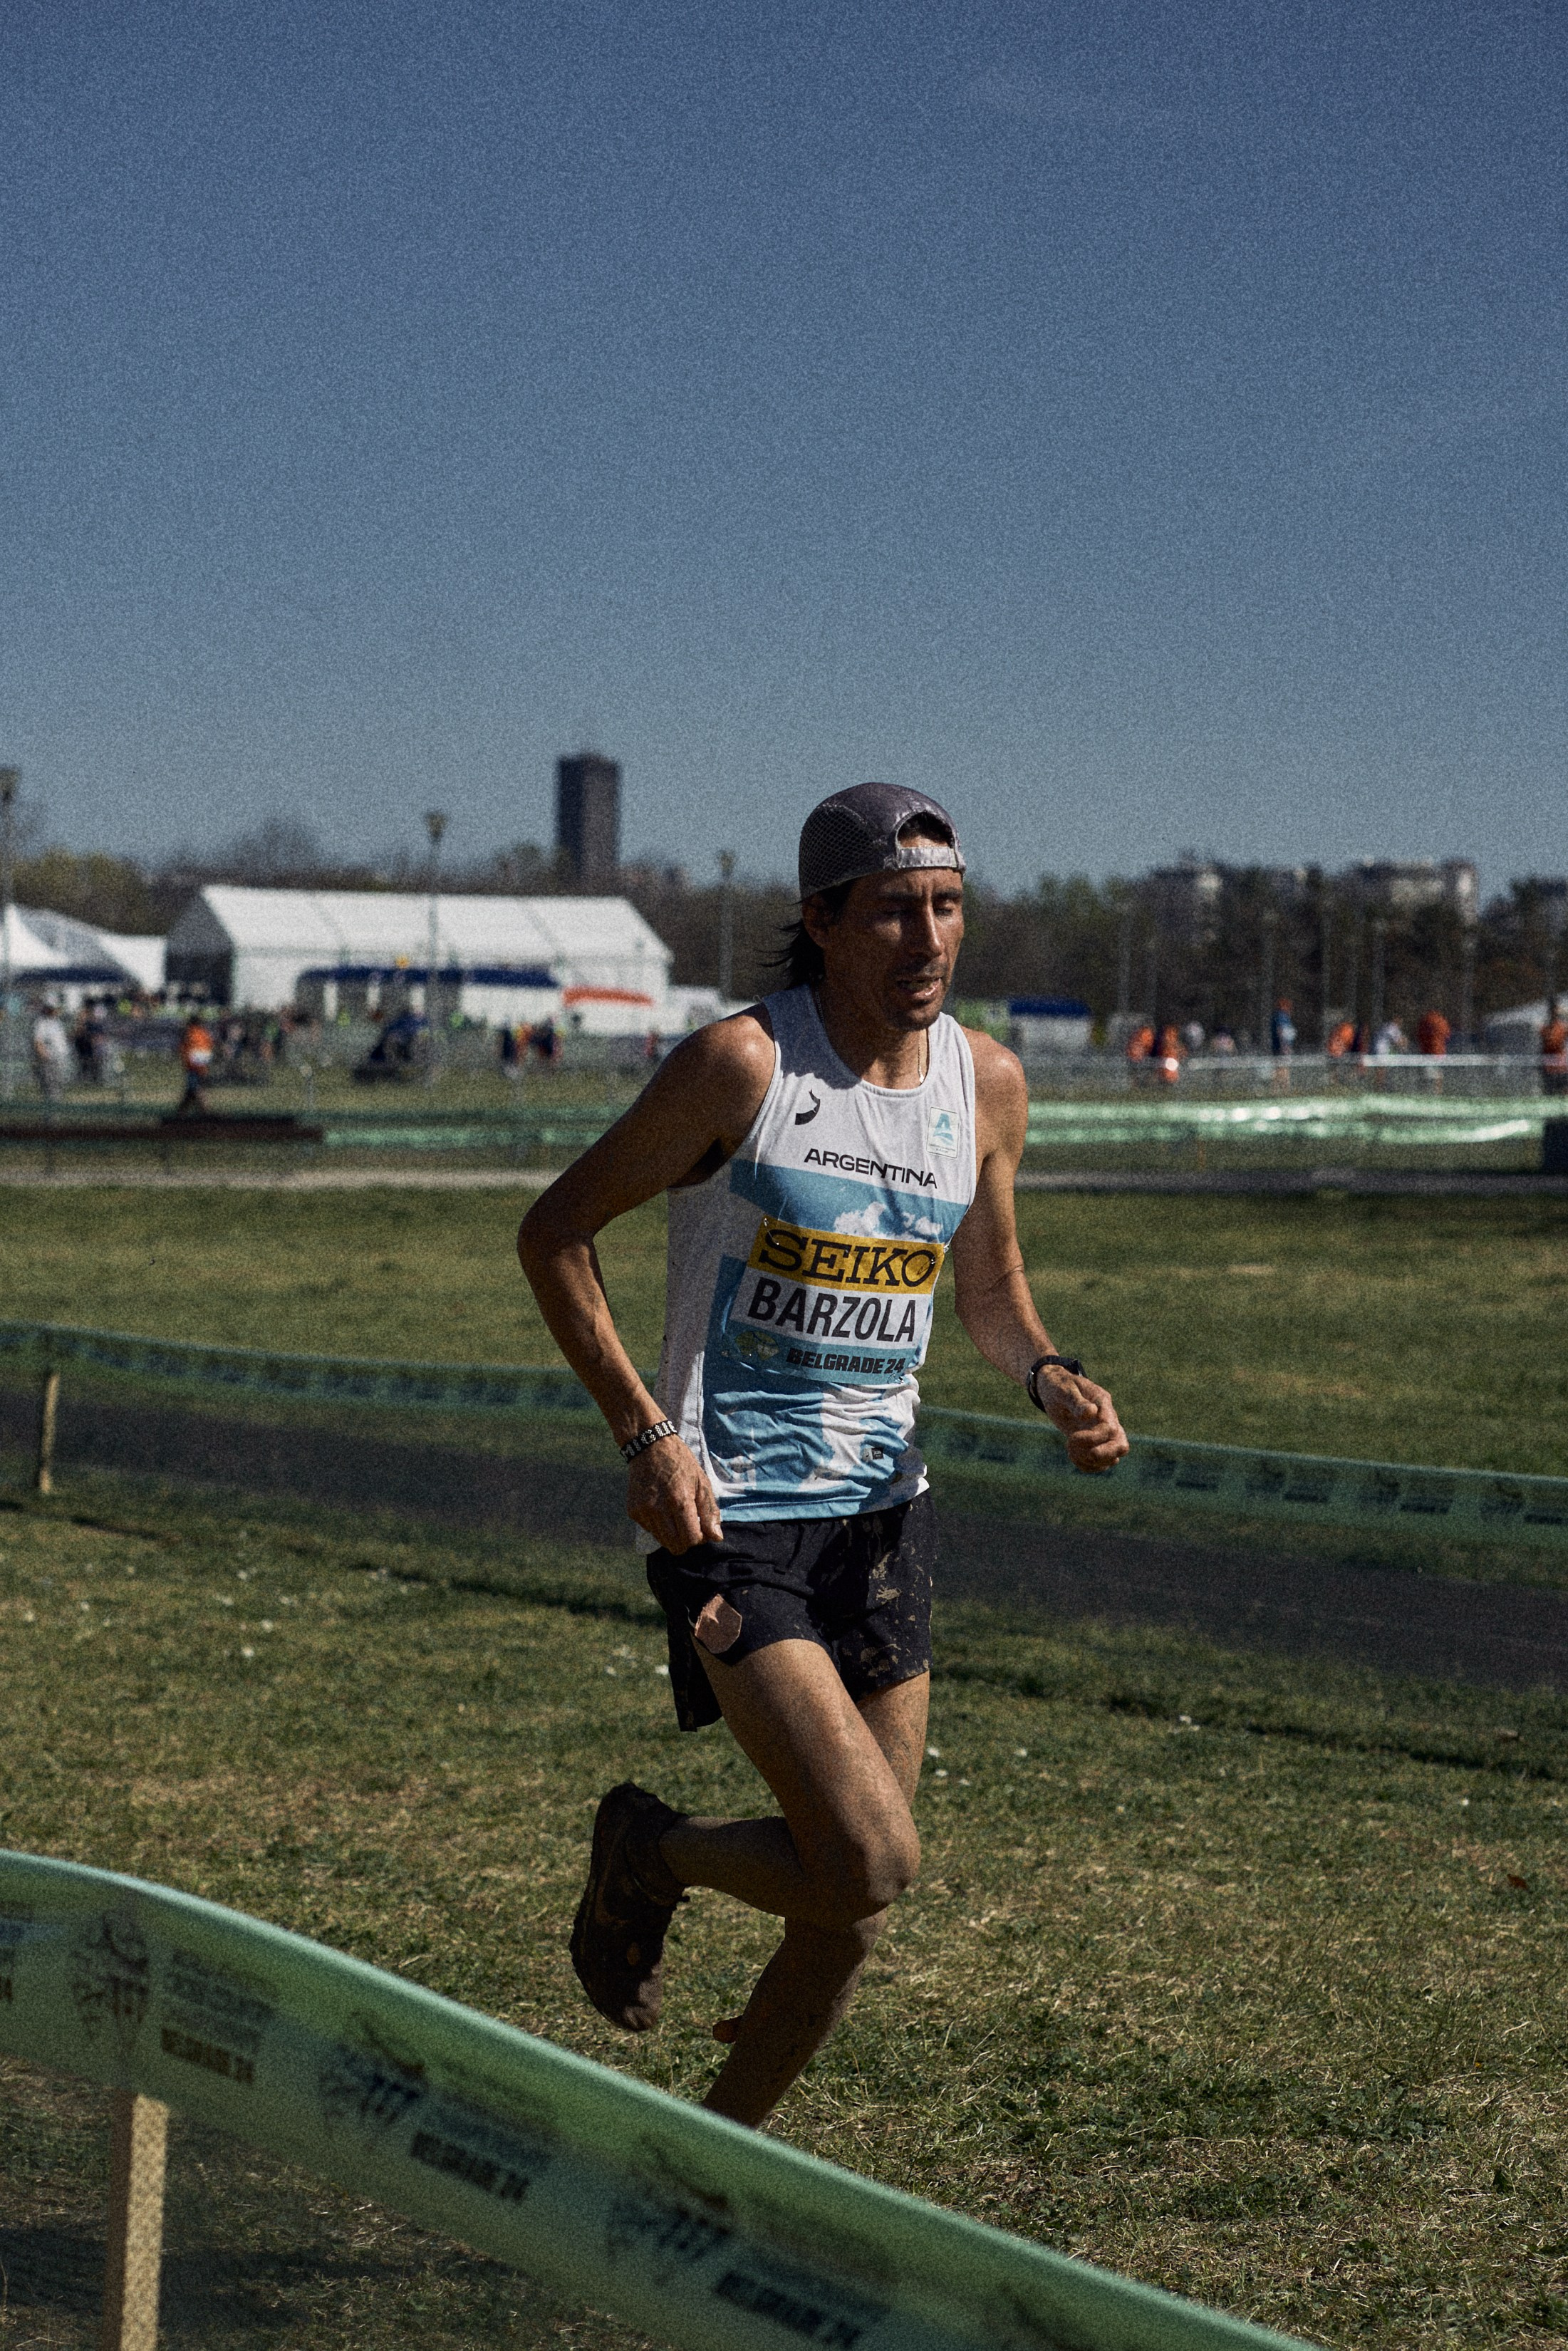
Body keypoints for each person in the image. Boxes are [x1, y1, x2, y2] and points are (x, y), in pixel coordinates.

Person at [518, 782, 1128, 2131]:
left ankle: (704, 2183)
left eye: (950, 907)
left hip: (881, 1516)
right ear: (825, 922)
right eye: (898, 911)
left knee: (849, 1914)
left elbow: (987, 1288)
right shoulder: (745, 1066)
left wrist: (1050, 1373)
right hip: (727, 1512)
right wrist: (645, 1430)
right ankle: (653, 1849)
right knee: (863, 1858)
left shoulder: (987, 1083)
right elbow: (554, 1232)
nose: (930, 939)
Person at [31, 1000, 71, 1101]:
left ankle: (55, 1113)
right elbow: (38, 1043)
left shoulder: (57, 1023)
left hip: (60, 1060)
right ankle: (51, 1115)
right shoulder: (41, 1023)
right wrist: (46, 1058)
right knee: (51, 1088)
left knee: (58, 1087)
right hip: (50, 1061)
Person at [175, 1012, 214, 1113]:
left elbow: (183, 1047)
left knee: (194, 1087)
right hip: (203, 1063)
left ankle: (205, 1110)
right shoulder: (204, 1033)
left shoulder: (189, 1032)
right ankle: (182, 1112)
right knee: (192, 1088)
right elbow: (210, 1046)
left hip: (193, 1063)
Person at [1542, 1003, 1568, 1099]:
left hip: (1561, 1067)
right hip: (1549, 1068)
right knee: (1551, 1093)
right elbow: (1549, 1043)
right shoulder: (1545, 1028)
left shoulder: (1562, 1028)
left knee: (1564, 1090)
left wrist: (1564, 1012)